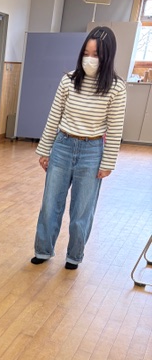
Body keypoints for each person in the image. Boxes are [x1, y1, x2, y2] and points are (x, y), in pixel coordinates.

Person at [31, 26, 127, 270]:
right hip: (63, 145)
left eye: (96, 55)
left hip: (92, 150)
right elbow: (54, 116)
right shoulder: (69, 80)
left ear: (107, 57)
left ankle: (74, 255)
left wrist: (108, 163)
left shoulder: (116, 88)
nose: (89, 59)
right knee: (50, 204)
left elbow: (115, 128)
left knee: (82, 210)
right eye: (86, 53)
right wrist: (45, 150)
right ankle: (43, 250)